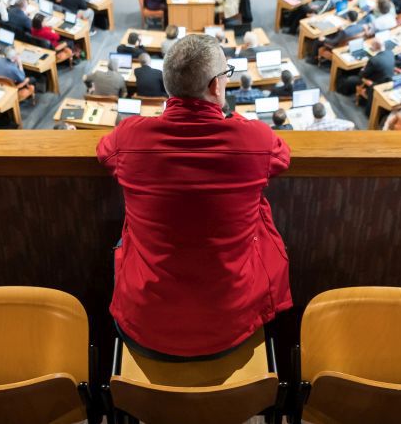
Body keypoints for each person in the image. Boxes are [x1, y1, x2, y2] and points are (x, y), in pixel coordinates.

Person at [96, 33, 291, 360]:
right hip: (232, 322)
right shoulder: (253, 139)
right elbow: (281, 158)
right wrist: (234, 120)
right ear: (216, 86)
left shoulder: (130, 135)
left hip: (145, 322)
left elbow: (105, 154)